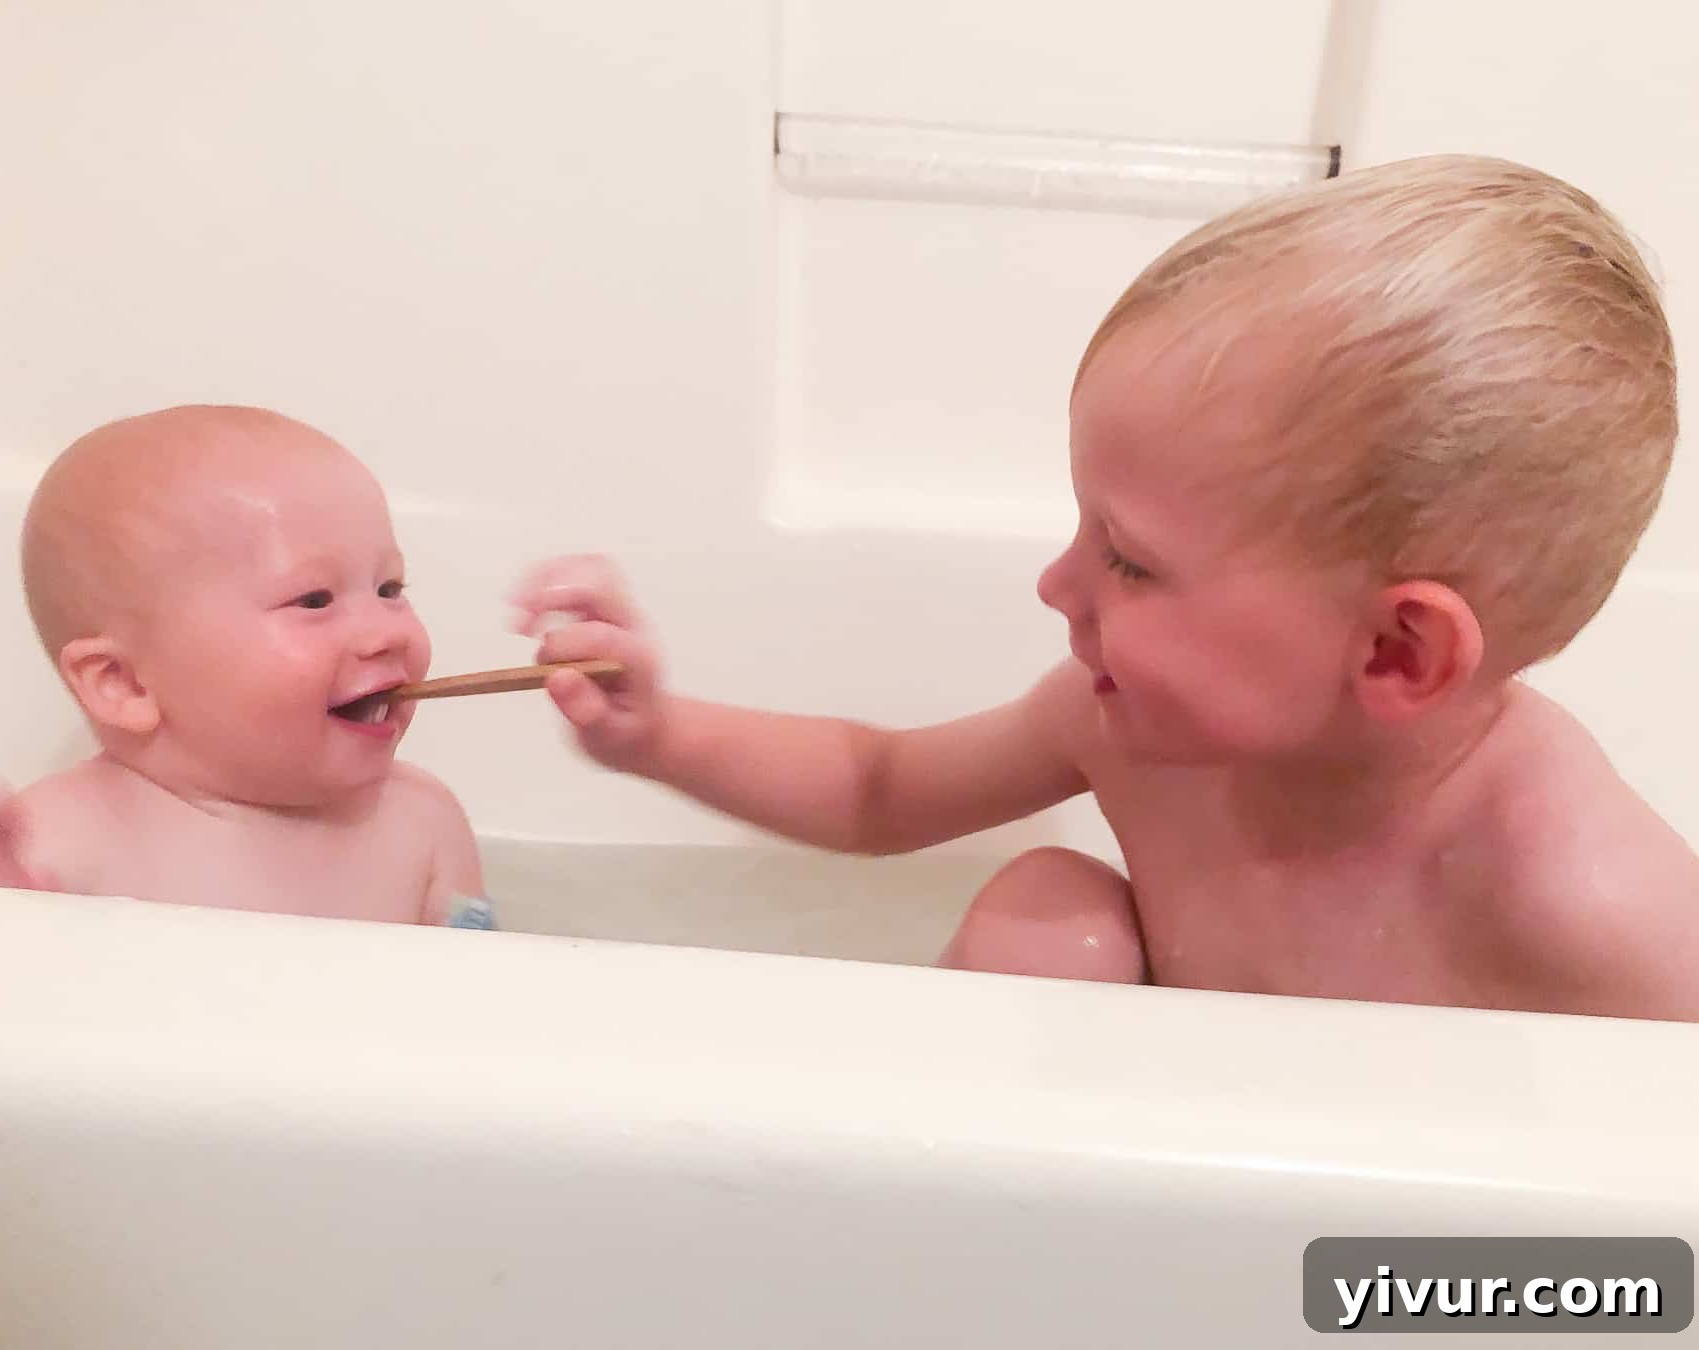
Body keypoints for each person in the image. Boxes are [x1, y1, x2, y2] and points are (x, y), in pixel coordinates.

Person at [514, 155, 1699, 1019]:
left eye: (1128, 559)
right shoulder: (1128, 727)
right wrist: (657, 735)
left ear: (1396, 652)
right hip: (1142, 1197)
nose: (1056, 583)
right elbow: (879, 789)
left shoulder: (1586, 899)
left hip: (1368, 1260)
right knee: (1049, 918)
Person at [0, 405, 490, 928]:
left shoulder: (424, 822)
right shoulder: (56, 845)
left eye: (390, 589)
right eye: (314, 600)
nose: (386, 632)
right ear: (124, 683)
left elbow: (490, 990)